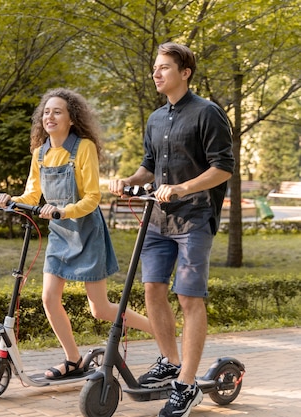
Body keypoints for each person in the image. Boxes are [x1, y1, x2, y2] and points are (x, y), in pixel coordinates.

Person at [109, 42, 235, 417]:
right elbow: (149, 166)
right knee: (152, 289)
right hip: (158, 219)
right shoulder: (155, 118)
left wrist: (183, 187)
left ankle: (186, 384)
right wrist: (128, 179)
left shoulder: (207, 112)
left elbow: (223, 167)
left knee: (189, 298)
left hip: (194, 217)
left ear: (185, 72)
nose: (157, 73)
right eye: (155, 68)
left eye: (164, 67)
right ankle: (169, 360)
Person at [0, 88, 151, 380]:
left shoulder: (83, 148)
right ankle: (73, 359)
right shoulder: (39, 153)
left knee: (100, 309)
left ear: (71, 119)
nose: (50, 117)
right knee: (49, 299)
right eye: (46, 112)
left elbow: (93, 197)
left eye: (58, 112)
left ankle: (159, 329)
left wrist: (63, 210)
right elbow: (32, 194)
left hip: (86, 231)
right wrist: (11, 199)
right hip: (59, 234)